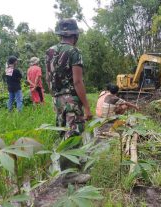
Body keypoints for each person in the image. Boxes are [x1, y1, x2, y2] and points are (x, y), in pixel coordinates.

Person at [45, 19, 93, 184]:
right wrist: (87, 107)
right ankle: (69, 176)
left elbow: (47, 78)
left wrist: (55, 97)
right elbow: (77, 81)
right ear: (75, 35)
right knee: (73, 134)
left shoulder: (49, 52)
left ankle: (72, 166)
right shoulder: (74, 52)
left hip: (57, 99)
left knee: (64, 132)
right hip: (71, 99)